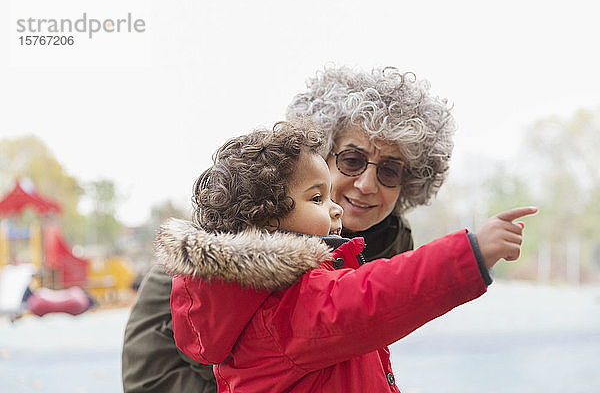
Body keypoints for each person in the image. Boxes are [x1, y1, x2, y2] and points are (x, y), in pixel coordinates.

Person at [120, 65, 501, 391]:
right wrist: (470, 254)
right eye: (352, 160)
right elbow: (154, 373)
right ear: (316, 159)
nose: (367, 184)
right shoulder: (219, 250)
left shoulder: (388, 243)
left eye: (389, 170)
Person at [157, 120, 536, 392]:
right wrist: (471, 252)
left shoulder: (245, 297)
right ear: (269, 219)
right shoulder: (288, 304)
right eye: (318, 198)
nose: (336, 207)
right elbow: (377, 296)